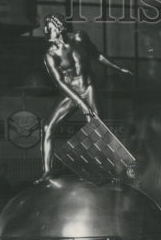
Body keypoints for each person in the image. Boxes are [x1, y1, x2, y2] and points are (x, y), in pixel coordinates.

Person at [41, 12, 132, 174]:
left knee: (96, 126)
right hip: (71, 93)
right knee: (48, 127)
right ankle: (47, 171)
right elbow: (60, 83)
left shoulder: (79, 38)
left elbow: (97, 55)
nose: (48, 33)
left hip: (88, 88)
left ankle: (107, 168)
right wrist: (81, 103)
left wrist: (118, 67)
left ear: (60, 27)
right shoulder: (50, 54)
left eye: (51, 29)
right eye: (46, 30)